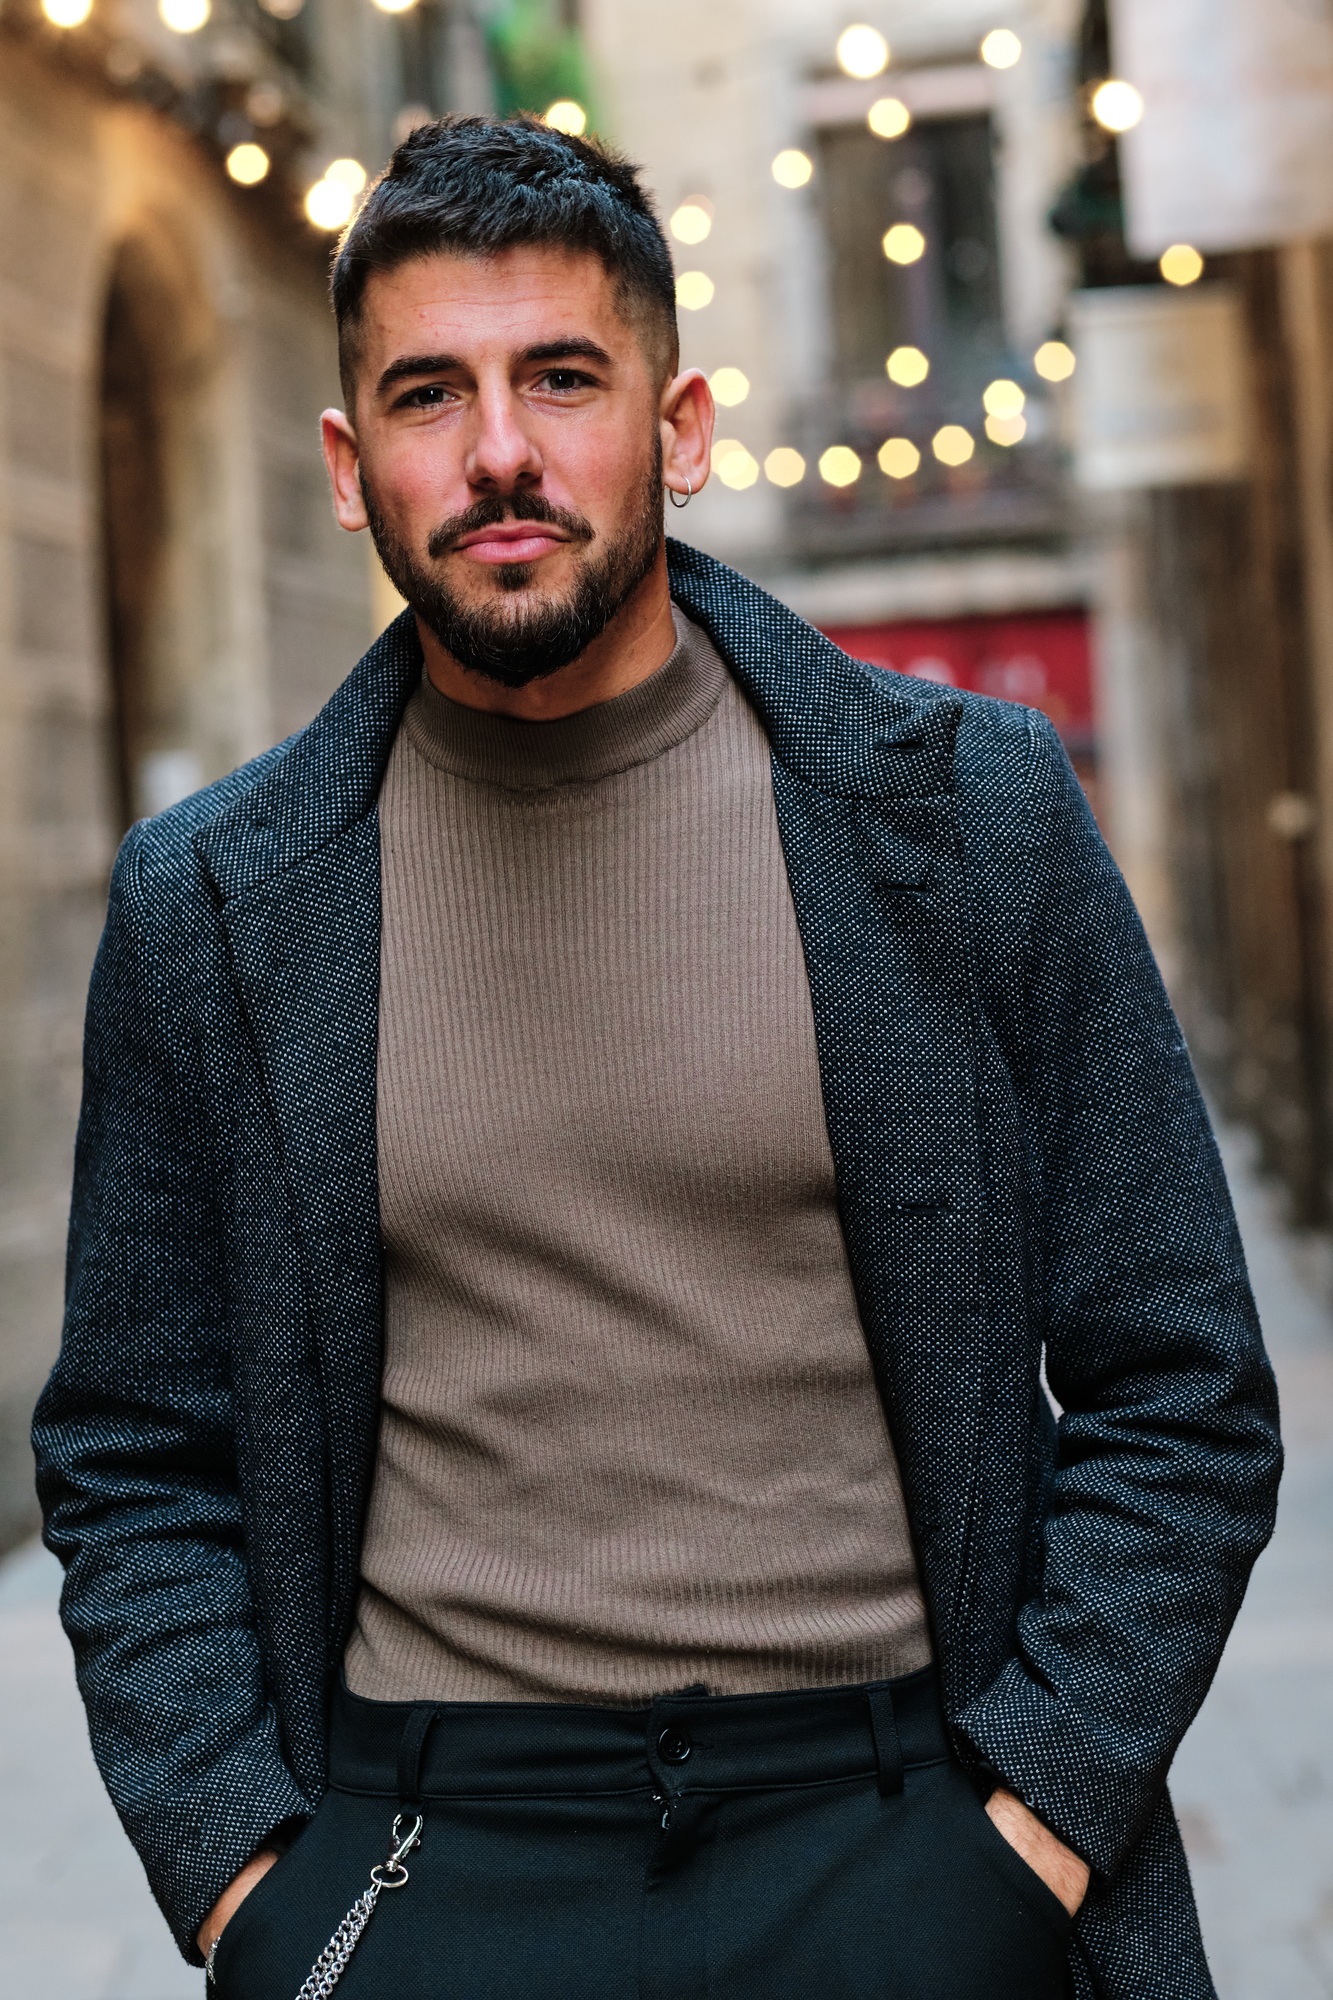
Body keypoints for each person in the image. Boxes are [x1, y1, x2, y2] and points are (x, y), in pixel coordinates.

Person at [34, 115, 1280, 2000]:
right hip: (428, 1856)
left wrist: (1024, 1835)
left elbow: (1177, 1384)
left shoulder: (966, 818)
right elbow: (133, 1453)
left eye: (561, 378)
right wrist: (252, 1894)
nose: (502, 451)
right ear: (350, 464)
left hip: (902, 1828)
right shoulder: (219, 902)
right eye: (429, 396)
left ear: (678, 429)